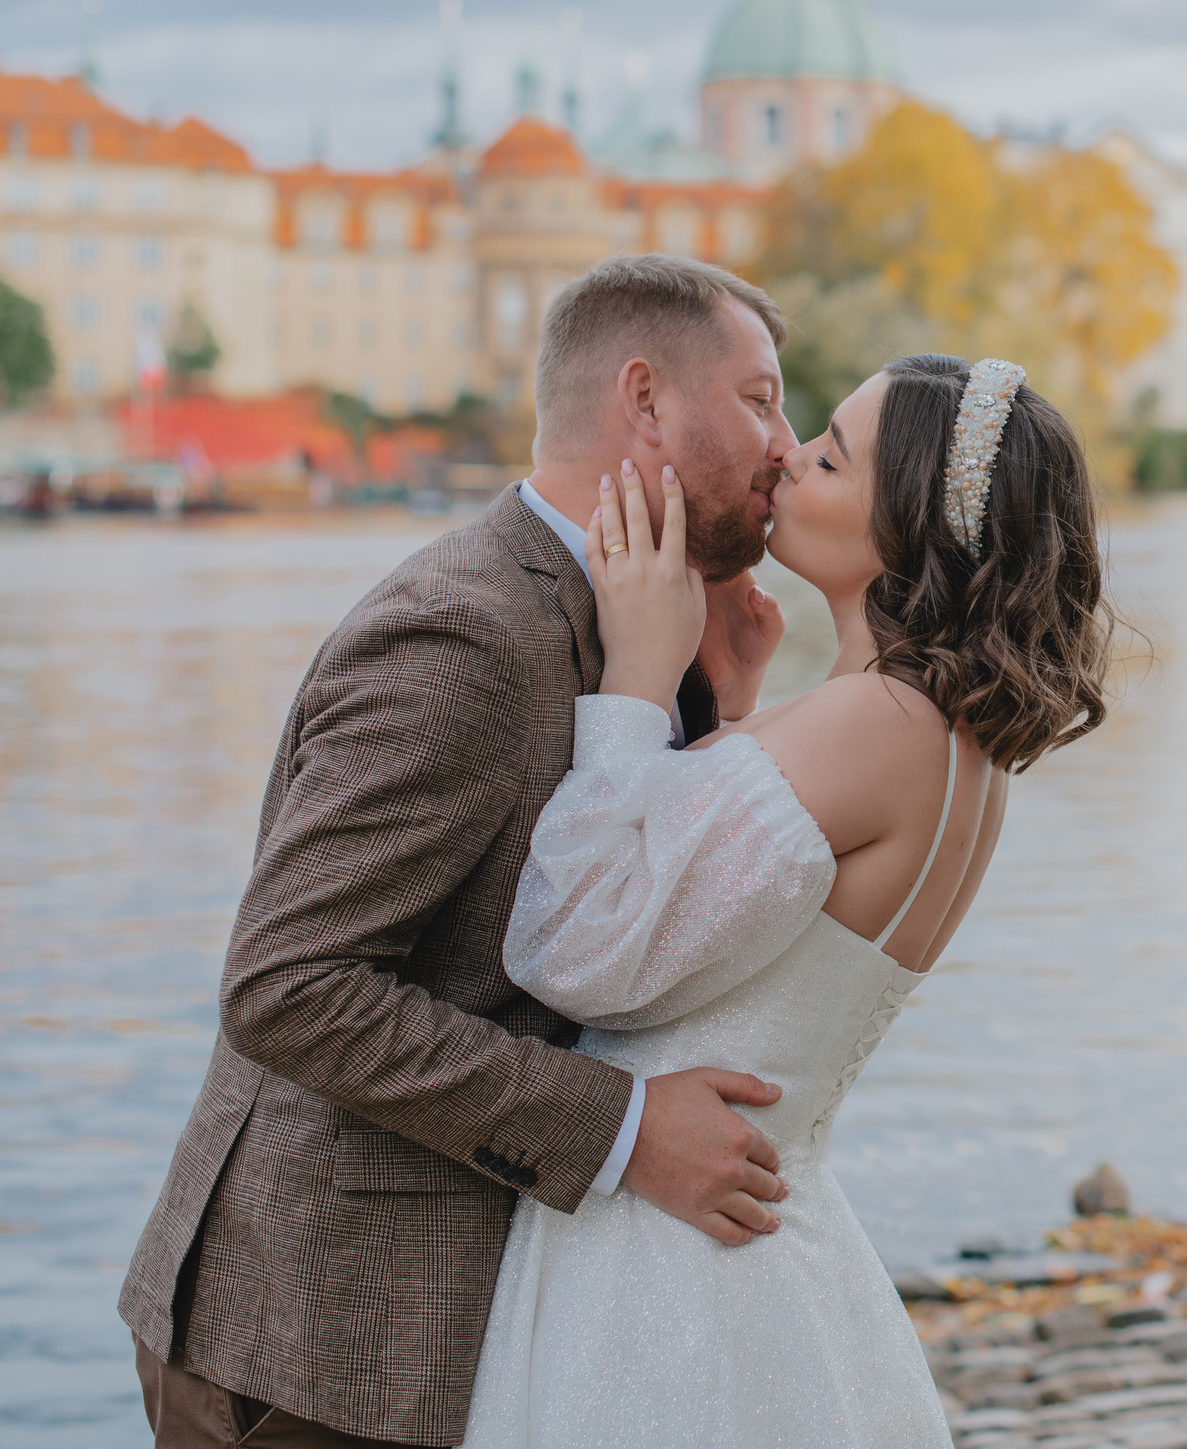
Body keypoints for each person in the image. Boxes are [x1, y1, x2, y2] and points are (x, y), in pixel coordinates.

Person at [120, 255, 815, 1449]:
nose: (788, 448)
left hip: (465, 1329)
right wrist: (623, 1129)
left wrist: (716, 707)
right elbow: (288, 989)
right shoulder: (470, 633)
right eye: (759, 400)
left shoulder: (639, 618)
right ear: (642, 401)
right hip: (326, 1346)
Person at [461, 353, 1114, 1447]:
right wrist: (738, 706)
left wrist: (631, 678)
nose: (787, 458)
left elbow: (572, 947)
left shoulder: (877, 724)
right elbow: (760, 927)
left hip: (671, 1275)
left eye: (829, 455)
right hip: (760, 1242)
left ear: (906, 520)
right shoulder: (945, 737)